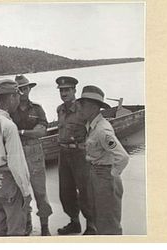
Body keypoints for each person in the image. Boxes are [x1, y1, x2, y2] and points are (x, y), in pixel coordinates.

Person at [0, 79, 32, 236]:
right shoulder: (9, 126)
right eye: (17, 96)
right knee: (17, 229)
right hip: (12, 183)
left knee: (0, 226)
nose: (18, 100)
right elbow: (16, 164)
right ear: (11, 97)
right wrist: (25, 192)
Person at [77, 85, 129, 235]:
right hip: (95, 175)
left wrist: (111, 176)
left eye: (83, 105)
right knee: (99, 218)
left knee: (109, 224)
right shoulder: (91, 126)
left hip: (105, 176)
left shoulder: (102, 130)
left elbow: (123, 157)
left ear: (93, 107)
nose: (79, 108)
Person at [11, 75, 52, 236]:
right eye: (19, 89)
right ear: (16, 91)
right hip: (17, 151)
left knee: (40, 191)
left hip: (35, 152)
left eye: (26, 88)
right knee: (21, 191)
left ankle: (44, 226)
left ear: (29, 89)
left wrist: (21, 132)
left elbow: (41, 132)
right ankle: (27, 224)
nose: (23, 91)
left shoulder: (37, 108)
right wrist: (30, 133)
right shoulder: (10, 110)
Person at [55, 76, 96, 235]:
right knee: (65, 192)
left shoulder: (83, 110)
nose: (64, 93)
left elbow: (94, 130)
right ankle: (74, 222)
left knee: (85, 191)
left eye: (67, 90)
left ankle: (92, 225)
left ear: (74, 91)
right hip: (63, 154)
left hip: (80, 154)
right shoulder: (60, 109)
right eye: (62, 90)